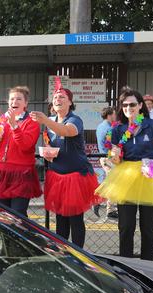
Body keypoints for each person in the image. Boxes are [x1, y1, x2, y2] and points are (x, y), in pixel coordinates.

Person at [95, 87, 153, 261]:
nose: (128, 108)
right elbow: (116, 158)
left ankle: (148, 266)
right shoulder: (118, 129)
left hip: (148, 175)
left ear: (140, 105)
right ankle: (126, 265)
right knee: (125, 226)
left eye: (132, 104)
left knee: (148, 227)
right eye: (125, 105)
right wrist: (115, 156)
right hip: (125, 177)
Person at [30, 87, 100, 248]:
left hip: (75, 177)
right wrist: (48, 154)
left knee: (75, 219)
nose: (57, 100)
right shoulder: (51, 121)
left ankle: (79, 256)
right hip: (57, 176)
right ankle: (63, 254)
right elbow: (51, 143)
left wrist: (46, 121)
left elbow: (67, 131)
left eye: (62, 97)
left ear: (70, 102)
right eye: (55, 98)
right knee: (60, 220)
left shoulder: (75, 120)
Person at [0, 86, 42, 216]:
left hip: (21, 173)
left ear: (25, 103)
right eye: (12, 99)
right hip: (2, 172)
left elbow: (25, 145)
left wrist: (14, 126)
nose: (14, 101)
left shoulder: (31, 122)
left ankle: (22, 236)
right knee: (3, 214)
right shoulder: (2, 119)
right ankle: (8, 237)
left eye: (19, 99)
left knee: (18, 214)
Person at [94, 107, 117, 219]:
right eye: (114, 114)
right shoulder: (110, 129)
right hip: (109, 158)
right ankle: (98, 199)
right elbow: (113, 145)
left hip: (103, 157)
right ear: (109, 115)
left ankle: (110, 208)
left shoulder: (100, 126)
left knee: (112, 182)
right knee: (112, 182)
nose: (115, 116)